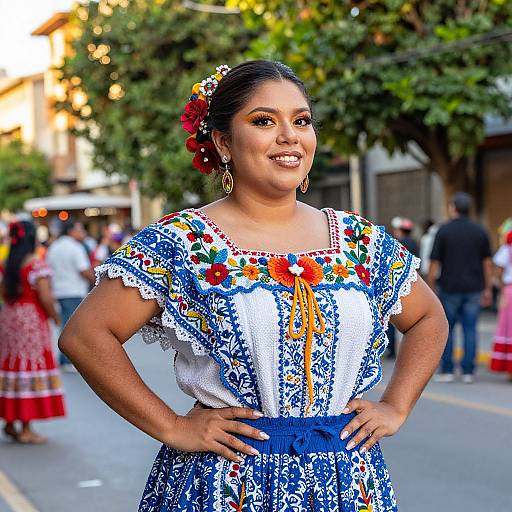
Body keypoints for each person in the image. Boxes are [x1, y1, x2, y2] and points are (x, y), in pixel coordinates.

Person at [59, 60, 448, 511]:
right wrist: (172, 426)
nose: (289, 136)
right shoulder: (182, 243)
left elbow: (426, 317)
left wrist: (396, 406)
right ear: (223, 141)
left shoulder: (360, 242)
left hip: (348, 482)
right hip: (227, 483)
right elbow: (85, 335)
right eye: (264, 121)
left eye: (301, 121)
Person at [0, 221, 65, 443]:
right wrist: (56, 318)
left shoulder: (7, 264)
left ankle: (10, 421)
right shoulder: (36, 265)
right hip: (30, 321)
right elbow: (45, 297)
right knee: (29, 366)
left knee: (12, 366)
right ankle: (26, 428)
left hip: (9, 318)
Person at [428, 192, 492, 383]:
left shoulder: (444, 230)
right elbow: (487, 263)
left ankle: (447, 369)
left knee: (447, 328)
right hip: (474, 287)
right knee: (470, 329)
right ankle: (468, 371)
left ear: (453, 208)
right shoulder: (480, 231)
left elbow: (434, 262)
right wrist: (487, 288)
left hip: (449, 287)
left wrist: (430, 287)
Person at [46, 220, 94, 371]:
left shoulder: (54, 246)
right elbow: (83, 270)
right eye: (79, 229)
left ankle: (65, 358)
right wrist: (96, 280)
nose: (82, 233)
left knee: (66, 324)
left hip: (59, 290)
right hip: (74, 290)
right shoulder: (75, 247)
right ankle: (67, 359)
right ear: (71, 231)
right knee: (72, 327)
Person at [386, 218, 420, 358]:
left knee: (392, 317)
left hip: (397, 284)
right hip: (413, 285)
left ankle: (392, 349)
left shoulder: (397, 244)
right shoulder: (415, 243)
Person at [489, 230, 512, 381]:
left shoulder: (507, 248)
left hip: (510, 291)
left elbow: (498, 269)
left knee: (509, 329)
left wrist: (500, 285)